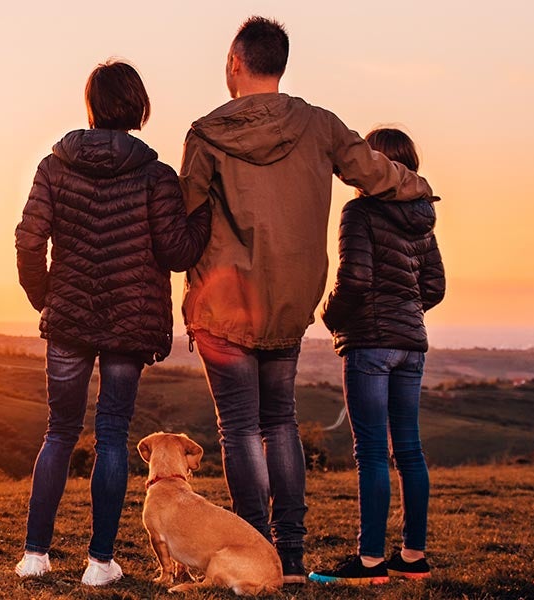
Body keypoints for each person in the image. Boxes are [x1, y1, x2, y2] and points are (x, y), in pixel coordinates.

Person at [178, 16, 433, 584]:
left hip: (224, 307)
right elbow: (375, 173)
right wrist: (420, 191)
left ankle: (255, 550)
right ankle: (290, 559)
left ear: (234, 63)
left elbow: (183, 222)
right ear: (282, 64)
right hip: (291, 303)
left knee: (240, 428)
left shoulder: (206, 134)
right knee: (280, 423)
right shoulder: (320, 126)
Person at [12, 59, 213, 586]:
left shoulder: (53, 167)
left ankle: (36, 556)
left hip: (69, 320)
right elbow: (175, 251)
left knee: (59, 431)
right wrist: (205, 213)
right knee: (113, 436)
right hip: (129, 322)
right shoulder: (156, 175)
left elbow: (29, 240)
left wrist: (47, 298)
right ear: (138, 107)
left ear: (92, 105)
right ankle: (100, 564)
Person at [310, 128, 444, 584]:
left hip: (369, 343)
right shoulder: (422, 217)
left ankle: (369, 563)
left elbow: (356, 279)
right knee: (409, 449)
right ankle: (414, 557)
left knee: (370, 452)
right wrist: (404, 313)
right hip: (411, 343)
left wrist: (329, 315)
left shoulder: (360, 212)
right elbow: (434, 287)